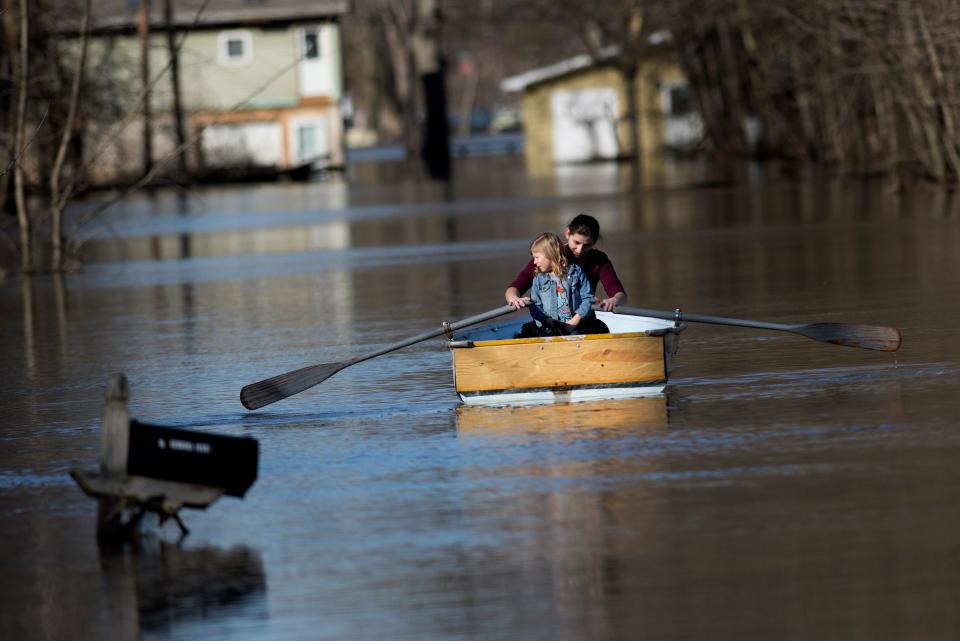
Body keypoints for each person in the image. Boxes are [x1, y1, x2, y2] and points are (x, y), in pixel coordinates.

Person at [505, 214, 626, 312]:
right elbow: (515, 286)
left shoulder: (599, 259)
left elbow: (618, 293)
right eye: (577, 243)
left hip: (582, 317)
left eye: (587, 245)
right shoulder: (551, 255)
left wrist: (614, 300)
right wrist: (513, 298)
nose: (580, 250)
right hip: (549, 318)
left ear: (594, 242)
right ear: (568, 233)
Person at [521, 232, 606, 336]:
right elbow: (536, 306)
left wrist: (573, 323)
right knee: (527, 331)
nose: (534, 262)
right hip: (550, 328)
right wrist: (550, 322)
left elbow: (588, 298)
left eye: (537, 257)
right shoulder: (539, 279)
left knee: (600, 329)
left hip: (576, 326)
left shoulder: (576, 272)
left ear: (550, 254)